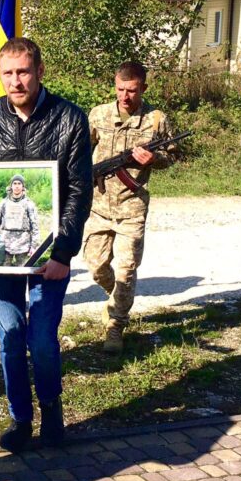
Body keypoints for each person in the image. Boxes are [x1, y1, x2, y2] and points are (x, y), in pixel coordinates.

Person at [0, 37, 92, 453]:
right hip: (0, 260)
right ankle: (20, 418)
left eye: (23, 72)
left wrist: (63, 252)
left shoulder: (70, 119)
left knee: (42, 339)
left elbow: (78, 191)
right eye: (8, 73)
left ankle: (51, 408)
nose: (16, 81)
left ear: (40, 71)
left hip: (48, 256)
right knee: (11, 334)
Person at [82, 62, 176, 353]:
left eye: (132, 91)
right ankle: (118, 298)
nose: (125, 96)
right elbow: (82, 149)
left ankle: (115, 325)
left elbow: (172, 154)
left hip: (131, 206)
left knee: (126, 270)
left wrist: (154, 159)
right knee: (96, 266)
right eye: (120, 89)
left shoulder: (156, 119)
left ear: (143, 88)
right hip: (98, 205)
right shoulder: (98, 114)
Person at [0, 174, 40, 267]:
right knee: (4, 273)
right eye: (14, 183)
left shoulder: (29, 204)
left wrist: (34, 246)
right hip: (5, 244)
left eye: (19, 183)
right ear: (11, 186)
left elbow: (35, 226)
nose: (17, 186)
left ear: (23, 186)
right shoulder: (4, 203)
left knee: (22, 273)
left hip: (23, 244)